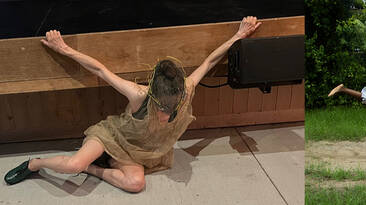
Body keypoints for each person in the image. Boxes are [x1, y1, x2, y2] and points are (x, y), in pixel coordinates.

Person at [3, 16, 262, 192]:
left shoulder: (187, 90)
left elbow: (209, 61)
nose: (164, 115)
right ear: (155, 96)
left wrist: (239, 34)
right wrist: (64, 49)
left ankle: (96, 168)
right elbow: (100, 70)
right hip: (113, 137)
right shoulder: (140, 95)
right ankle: (35, 164)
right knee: (73, 166)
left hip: (141, 152)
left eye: (169, 112)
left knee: (136, 184)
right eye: (161, 108)